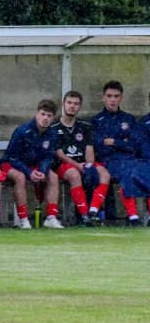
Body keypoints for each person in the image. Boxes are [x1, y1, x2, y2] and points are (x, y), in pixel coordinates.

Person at [91, 80, 150, 226]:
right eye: (109, 96)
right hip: (109, 162)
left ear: (121, 98)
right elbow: (100, 147)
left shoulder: (129, 119)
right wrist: (123, 142)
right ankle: (133, 217)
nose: (112, 100)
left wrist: (115, 142)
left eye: (116, 96)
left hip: (130, 160)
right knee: (127, 171)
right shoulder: (96, 121)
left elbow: (134, 145)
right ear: (103, 97)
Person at [0, 99, 64, 229]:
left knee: (53, 176)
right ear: (37, 114)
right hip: (11, 164)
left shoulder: (52, 134)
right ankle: (23, 220)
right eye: (43, 114)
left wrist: (42, 171)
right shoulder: (22, 131)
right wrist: (29, 172)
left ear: (53, 118)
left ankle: (51, 217)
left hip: (33, 166)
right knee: (20, 177)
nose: (45, 118)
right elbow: (12, 157)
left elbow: (49, 156)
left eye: (49, 116)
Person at [50, 90, 111, 225]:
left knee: (104, 174)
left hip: (83, 163)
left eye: (76, 104)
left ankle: (93, 211)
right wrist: (78, 166)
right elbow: (59, 153)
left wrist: (89, 166)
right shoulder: (53, 127)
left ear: (80, 106)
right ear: (63, 104)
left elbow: (89, 149)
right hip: (63, 164)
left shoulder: (86, 126)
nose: (72, 106)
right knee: (74, 175)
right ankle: (84, 215)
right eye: (69, 103)